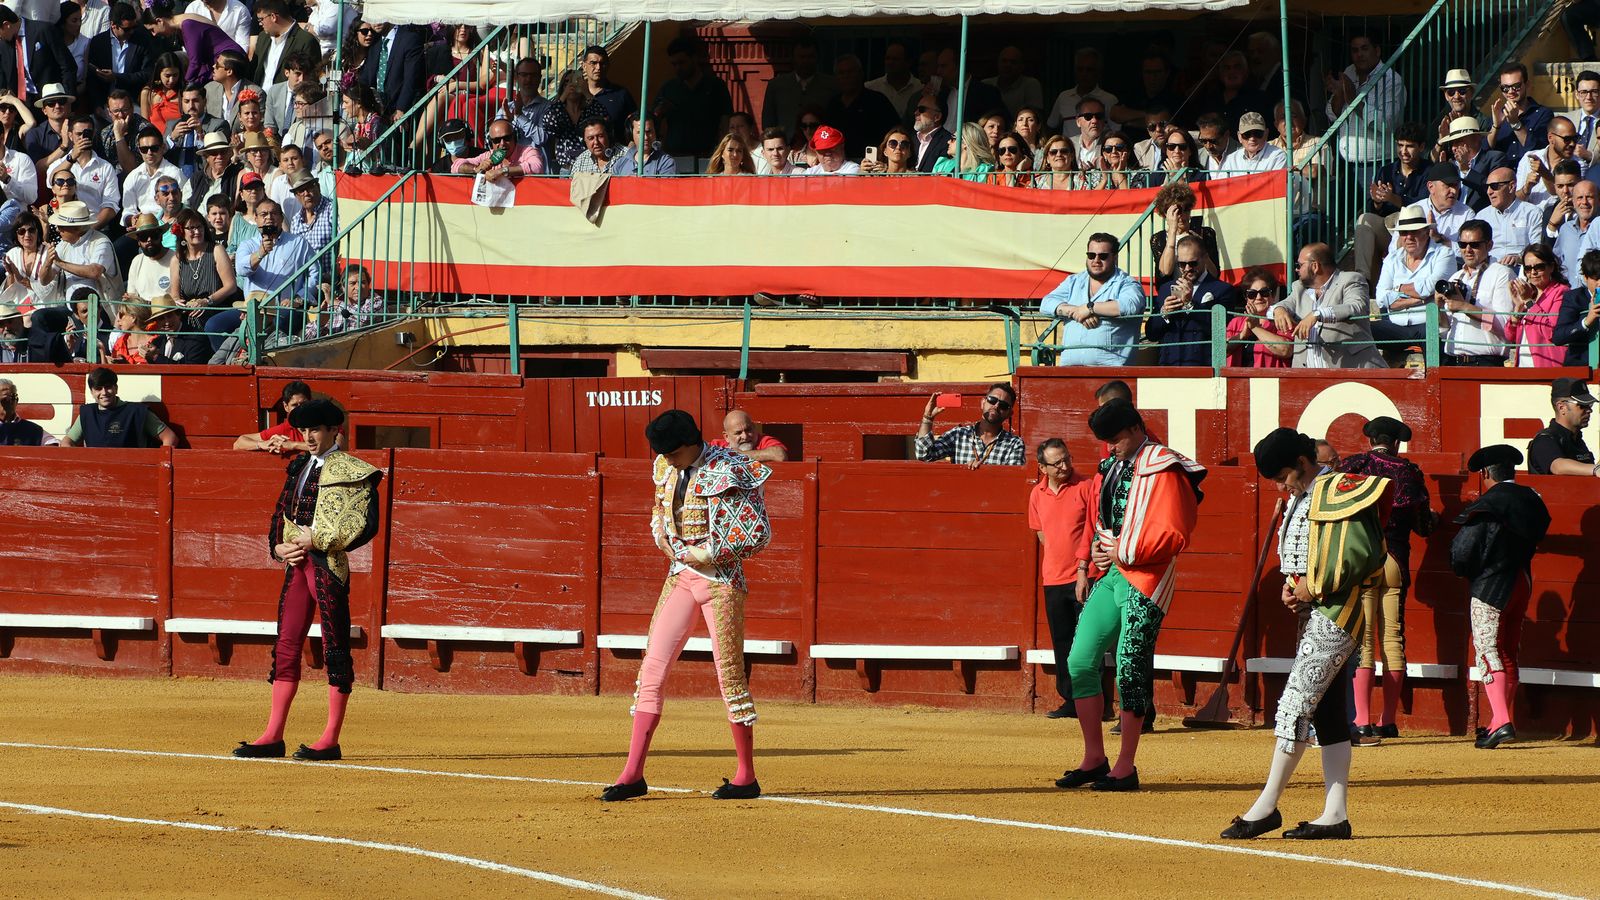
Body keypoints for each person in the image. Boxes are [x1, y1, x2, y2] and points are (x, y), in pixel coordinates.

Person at [1222, 428, 1387, 841]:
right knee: (1327, 713)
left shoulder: (1338, 488)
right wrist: (1293, 585)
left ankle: (1266, 806)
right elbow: (1306, 553)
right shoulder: (1302, 495)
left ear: (1300, 462)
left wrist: (1311, 587)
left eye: (1283, 476)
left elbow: (1365, 552)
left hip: (1338, 611)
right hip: (1315, 611)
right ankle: (1335, 814)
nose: (1281, 486)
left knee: (1294, 705)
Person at [602, 410, 772, 802]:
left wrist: (709, 551)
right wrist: (664, 538)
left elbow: (758, 532)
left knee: (729, 676)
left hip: (721, 582)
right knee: (651, 671)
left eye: (675, 453)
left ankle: (746, 776)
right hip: (680, 576)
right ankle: (632, 775)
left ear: (692, 443)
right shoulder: (665, 465)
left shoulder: (730, 467)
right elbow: (658, 512)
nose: (669, 460)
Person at [1056, 399, 1204, 792]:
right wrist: (1097, 553)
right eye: (1106, 442)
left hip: (1148, 578)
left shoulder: (1164, 466)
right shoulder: (1112, 466)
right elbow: (1101, 520)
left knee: (1129, 666)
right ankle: (1093, 758)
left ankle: (1125, 766)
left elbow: (1174, 532)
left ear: (1137, 428)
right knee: (1080, 660)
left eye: (1117, 439)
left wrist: (1119, 549)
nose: (1112, 448)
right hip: (1114, 574)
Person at [233, 399, 382, 762]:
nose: (309, 437)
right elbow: (280, 513)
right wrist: (278, 547)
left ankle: (330, 738)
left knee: (334, 648)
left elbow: (365, 524)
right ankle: (273, 735)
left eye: (316, 429)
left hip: (327, 563)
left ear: (334, 431)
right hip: (297, 564)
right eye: (304, 430)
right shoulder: (298, 465)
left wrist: (318, 540)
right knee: (286, 645)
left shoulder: (355, 470)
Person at [1338, 417, 1435, 743]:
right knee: (1393, 638)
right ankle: (1389, 722)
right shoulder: (1409, 473)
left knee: (1363, 640)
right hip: (1395, 559)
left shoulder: (1354, 466)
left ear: (1371, 441)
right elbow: (1424, 527)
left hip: (1363, 559)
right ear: (1396, 443)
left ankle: (1362, 721)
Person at [1450, 444, 1550, 750]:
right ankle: (1497, 722)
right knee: (1507, 650)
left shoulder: (1488, 504)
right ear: (1512, 471)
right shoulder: (1531, 499)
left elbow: (1463, 552)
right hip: (1522, 580)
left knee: (1487, 650)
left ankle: (1503, 720)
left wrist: (1462, 569)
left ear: (1485, 474)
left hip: (1491, 585)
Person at [1272, 243, 1385, 368]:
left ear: (1315, 266)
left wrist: (1318, 314)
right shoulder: (1299, 287)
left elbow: (1356, 306)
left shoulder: (1351, 280)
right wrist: (1279, 309)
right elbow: (1286, 303)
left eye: (1299, 265)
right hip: (1309, 378)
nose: (1297, 269)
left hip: (1354, 374)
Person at [1040, 233, 1146, 367]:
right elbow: (1046, 303)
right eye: (1091, 255)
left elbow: (1129, 306)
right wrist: (1076, 311)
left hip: (1110, 375)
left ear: (1115, 257)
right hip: (1070, 370)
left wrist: (1090, 308)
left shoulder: (1127, 283)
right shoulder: (1074, 281)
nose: (1096, 260)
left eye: (1103, 256)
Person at [1324, 33, 1406, 199]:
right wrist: (1340, 93)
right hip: (1346, 164)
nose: (1359, 54)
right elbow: (1332, 114)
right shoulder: (1349, 73)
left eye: (1364, 48)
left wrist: (1354, 99)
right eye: (1355, 50)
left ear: (1377, 51)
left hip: (1377, 164)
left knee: (1373, 217)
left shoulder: (1391, 80)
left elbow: (1387, 124)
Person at [1353, 123, 1431, 283]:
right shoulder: (1386, 170)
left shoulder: (1429, 171)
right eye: (1400, 145)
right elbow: (1374, 210)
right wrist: (1377, 202)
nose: (1403, 151)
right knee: (1364, 220)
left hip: (1415, 233)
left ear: (1422, 147)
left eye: (1409, 146)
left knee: (1401, 219)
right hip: (1387, 229)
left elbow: (1422, 206)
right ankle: (1362, 280)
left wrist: (1392, 198)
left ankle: (1398, 282)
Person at [1373, 207, 1455, 355]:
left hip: (1430, 324)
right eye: (1404, 233)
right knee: (1359, 330)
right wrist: (1423, 299)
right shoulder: (1392, 259)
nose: (1409, 237)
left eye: (1414, 232)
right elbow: (1381, 298)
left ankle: (1439, 378)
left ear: (1426, 231)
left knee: (1432, 336)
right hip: (1395, 326)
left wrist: (1397, 289)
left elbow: (1432, 286)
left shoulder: (1444, 254)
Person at [1145, 235, 1238, 366]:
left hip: (1203, 365)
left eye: (1193, 263)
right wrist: (1164, 312)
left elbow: (1221, 330)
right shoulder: (1166, 289)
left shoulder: (1223, 289)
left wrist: (1190, 305)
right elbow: (1151, 333)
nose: (1187, 268)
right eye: (1182, 264)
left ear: (1205, 258)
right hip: (1169, 365)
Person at [1437, 219, 1514, 366]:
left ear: (1489, 245)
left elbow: (1505, 325)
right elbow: (1444, 331)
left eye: (1474, 245)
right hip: (1454, 361)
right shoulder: (1455, 277)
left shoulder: (1502, 274)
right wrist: (1439, 306)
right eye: (1462, 244)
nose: (1468, 250)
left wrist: (1464, 306)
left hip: (1485, 361)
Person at [652, 36, 733, 161]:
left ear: (694, 58)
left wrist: (721, 153)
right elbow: (653, 120)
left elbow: (725, 123)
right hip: (675, 157)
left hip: (708, 156)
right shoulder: (668, 88)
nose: (678, 68)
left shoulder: (716, 86)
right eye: (674, 64)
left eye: (682, 62)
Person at [60, 365, 176, 447]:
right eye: (98, 388)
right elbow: (66, 442)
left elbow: (170, 438)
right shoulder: (87, 414)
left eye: (108, 387)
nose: (104, 392)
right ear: (92, 392)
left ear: (116, 388)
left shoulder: (136, 412)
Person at [915, 383, 1026, 467]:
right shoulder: (959, 435)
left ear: (1009, 414)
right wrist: (927, 418)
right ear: (983, 403)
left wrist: (983, 472)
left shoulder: (1014, 444)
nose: (996, 406)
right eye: (992, 400)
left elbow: (1011, 482)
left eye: (1003, 405)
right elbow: (924, 455)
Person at [823, 54, 898, 160]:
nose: (846, 76)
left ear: (861, 74)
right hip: (838, 164)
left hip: (872, 164)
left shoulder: (877, 100)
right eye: (841, 73)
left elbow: (895, 131)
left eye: (850, 72)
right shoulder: (833, 104)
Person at [1507, 244, 1571, 367]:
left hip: (1547, 366)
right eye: (1528, 268)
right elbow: (1510, 336)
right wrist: (1517, 308)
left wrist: (1529, 302)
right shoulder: (1529, 294)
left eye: (1539, 267)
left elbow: (1551, 332)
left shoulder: (1561, 292)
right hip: (1523, 365)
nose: (1533, 272)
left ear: (1551, 267)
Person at [84, 3, 152, 112]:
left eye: (134, 27)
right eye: (127, 29)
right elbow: (92, 79)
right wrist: (97, 105)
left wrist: (117, 77)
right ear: (113, 25)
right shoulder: (98, 43)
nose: (131, 32)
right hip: (105, 105)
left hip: (134, 102)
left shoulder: (142, 41)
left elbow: (147, 73)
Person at [1526, 377, 1598, 476]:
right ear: (1562, 407)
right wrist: (1595, 469)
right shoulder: (1545, 439)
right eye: (1582, 405)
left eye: (1590, 405)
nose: (1589, 410)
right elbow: (1558, 466)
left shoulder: (1576, 439)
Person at [761, 35, 832, 134]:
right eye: (801, 57)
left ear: (817, 58)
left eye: (810, 57)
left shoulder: (831, 85)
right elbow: (768, 124)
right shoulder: (776, 85)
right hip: (786, 146)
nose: (805, 61)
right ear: (793, 58)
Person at [1150, 181, 1219, 281]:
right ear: (1166, 214)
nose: (1182, 216)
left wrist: (1201, 248)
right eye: (1177, 211)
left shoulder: (1206, 233)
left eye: (1186, 209)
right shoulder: (1159, 238)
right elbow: (1166, 271)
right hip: (1174, 292)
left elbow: (1214, 274)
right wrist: (1172, 231)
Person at [1486, 63, 1550, 168]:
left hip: (1530, 176)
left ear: (1527, 84)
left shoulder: (1543, 114)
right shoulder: (1498, 114)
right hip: (1502, 179)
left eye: (1516, 86)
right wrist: (1496, 126)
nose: (1511, 91)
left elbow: (1538, 151)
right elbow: (1485, 152)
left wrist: (1515, 123)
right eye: (1505, 88)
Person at [1478, 166, 1545, 266]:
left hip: (1520, 269)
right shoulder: (1482, 216)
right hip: (1489, 270)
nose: (1489, 192)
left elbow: (1537, 247)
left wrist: (1519, 258)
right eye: (1487, 187)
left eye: (1494, 186)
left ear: (1511, 186)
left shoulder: (1532, 213)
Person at [1227, 268, 1292, 368]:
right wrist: (1242, 336)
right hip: (1237, 381)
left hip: (1270, 381)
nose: (1258, 297)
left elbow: (1285, 350)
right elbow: (1219, 352)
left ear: (1273, 295)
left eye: (1264, 292)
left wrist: (1255, 328)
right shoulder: (1236, 322)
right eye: (1252, 294)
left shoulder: (1281, 319)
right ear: (1246, 297)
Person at [1047, 48, 1117, 139]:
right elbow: (1051, 126)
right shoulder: (1064, 97)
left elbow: (1116, 134)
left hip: (1098, 152)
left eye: (1089, 70)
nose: (1084, 74)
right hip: (1069, 152)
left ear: (1099, 72)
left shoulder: (1109, 99)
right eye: (1080, 69)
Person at [1515, 114, 1579, 210]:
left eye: (1575, 138)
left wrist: (1544, 173)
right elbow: (1514, 202)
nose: (1572, 144)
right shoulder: (1529, 158)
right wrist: (1526, 188)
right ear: (1550, 138)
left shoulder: (1578, 164)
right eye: (1567, 139)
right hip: (1527, 220)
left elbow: (1566, 196)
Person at [1443, 117, 1507, 211]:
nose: (1453, 148)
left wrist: (1466, 170)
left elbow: (1495, 189)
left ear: (1476, 138)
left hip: (1482, 218)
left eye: (1458, 141)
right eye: (1452, 143)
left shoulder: (1495, 158)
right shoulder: (1451, 165)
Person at [233, 379, 311, 452]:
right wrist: (261, 444)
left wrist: (293, 445)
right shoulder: (286, 428)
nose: (300, 409)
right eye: (294, 405)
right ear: (286, 407)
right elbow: (238, 443)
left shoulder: (319, 421)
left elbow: (321, 446)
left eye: (304, 404)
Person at [577, 45, 636, 143]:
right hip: (580, 155)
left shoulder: (621, 94)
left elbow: (635, 124)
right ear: (584, 66)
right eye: (593, 63)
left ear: (608, 65)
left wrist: (631, 145)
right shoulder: (575, 95)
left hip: (617, 154)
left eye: (602, 63)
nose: (598, 67)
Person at [451, 117, 543, 179]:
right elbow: (455, 166)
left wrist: (502, 171)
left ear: (515, 137)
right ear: (491, 143)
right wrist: (476, 169)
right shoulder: (488, 155)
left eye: (507, 138)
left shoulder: (528, 151)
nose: (502, 144)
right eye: (497, 140)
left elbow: (537, 167)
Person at [1552, 249, 1600, 365]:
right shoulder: (1574, 298)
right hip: (1580, 368)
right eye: (1595, 278)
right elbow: (1558, 337)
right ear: (1585, 277)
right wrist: (1586, 322)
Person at [1550, 174, 1600, 280]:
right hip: (1570, 293)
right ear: (1573, 201)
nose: (1584, 202)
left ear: (1598, 200)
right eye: (1579, 198)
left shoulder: (1598, 228)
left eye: (1589, 197)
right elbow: (1556, 263)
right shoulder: (1565, 229)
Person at [984, 46, 1043, 120]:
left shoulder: (1031, 85)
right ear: (998, 63)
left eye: (1013, 62)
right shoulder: (986, 84)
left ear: (1022, 66)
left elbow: (1035, 117)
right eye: (1004, 61)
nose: (1008, 65)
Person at [863, 41, 919, 118]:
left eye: (895, 59)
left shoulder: (920, 88)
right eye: (887, 58)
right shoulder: (870, 87)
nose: (890, 62)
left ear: (908, 62)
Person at [708, 410, 787, 462]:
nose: (745, 436)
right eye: (738, 433)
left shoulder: (764, 441)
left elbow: (780, 455)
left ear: (754, 427)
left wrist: (737, 454)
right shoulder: (717, 445)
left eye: (748, 430)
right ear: (726, 437)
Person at [0, 377, 52, 445]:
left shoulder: (32, 429)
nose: (9, 400)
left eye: (12, 397)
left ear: (17, 401)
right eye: (5, 398)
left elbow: (52, 442)